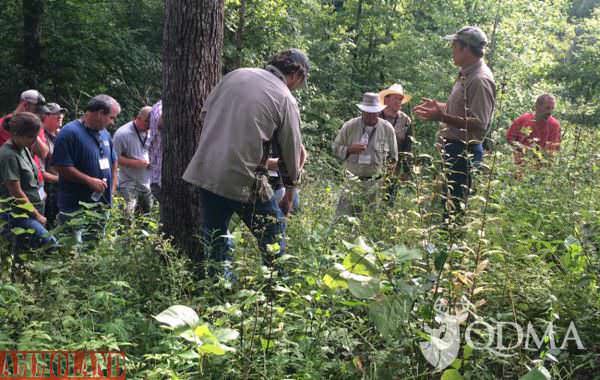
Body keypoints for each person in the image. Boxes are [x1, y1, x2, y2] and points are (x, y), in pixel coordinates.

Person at [183, 48, 308, 276]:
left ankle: (218, 289)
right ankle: (275, 290)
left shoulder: (235, 75)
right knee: (273, 233)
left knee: (215, 237)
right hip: (243, 179)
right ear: (296, 75)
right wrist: (289, 195)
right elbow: (291, 155)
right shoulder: (285, 98)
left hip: (206, 171)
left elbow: (204, 115)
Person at [414, 26, 496, 219]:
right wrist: (441, 107)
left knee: (454, 210)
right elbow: (462, 110)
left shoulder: (480, 79)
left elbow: (480, 123)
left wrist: (441, 117)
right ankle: (441, 246)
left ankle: (450, 246)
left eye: (454, 45)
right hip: (453, 150)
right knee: (444, 205)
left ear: (466, 48)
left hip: (463, 154)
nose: (451, 49)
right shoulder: (466, 73)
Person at [51, 95, 120, 240]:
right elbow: (62, 167)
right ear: (100, 113)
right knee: (74, 251)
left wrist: (112, 188)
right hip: (75, 207)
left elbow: (113, 161)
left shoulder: (105, 134)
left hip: (101, 206)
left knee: (95, 247)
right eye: (111, 117)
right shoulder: (69, 133)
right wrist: (89, 181)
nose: (113, 122)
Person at [332, 92, 398, 216]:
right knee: (342, 218)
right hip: (351, 182)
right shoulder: (350, 126)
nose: (371, 115)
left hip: (375, 185)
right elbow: (335, 148)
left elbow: (393, 158)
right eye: (368, 112)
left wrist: (386, 182)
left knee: (369, 222)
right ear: (362, 111)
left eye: (374, 112)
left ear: (379, 112)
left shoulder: (387, 129)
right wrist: (350, 149)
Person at [0, 112, 57, 250]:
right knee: (51, 244)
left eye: (35, 136)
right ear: (16, 134)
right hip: (19, 215)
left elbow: (44, 153)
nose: (33, 140)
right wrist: (37, 216)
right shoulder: (8, 155)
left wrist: (34, 137)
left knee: (28, 254)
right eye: (30, 137)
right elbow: (16, 192)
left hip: (33, 210)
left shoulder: (23, 147)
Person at [113, 106, 153, 215]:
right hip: (127, 182)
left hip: (146, 182)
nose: (149, 126)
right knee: (127, 216)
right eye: (147, 122)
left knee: (146, 216)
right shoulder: (122, 133)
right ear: (138, 118)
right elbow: (114, 157)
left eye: (152, 122)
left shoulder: (151, 131)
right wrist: (135, 163)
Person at [379, 84, 412, 202]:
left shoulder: (406, 120)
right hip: (374, 164)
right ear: (386, 99)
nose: (398, 102)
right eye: (395, 98)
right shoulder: (375, 115)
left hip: (394, 167)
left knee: (389, 200)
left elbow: (408, 147)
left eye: (400, 99)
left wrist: (407, 170)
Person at [506, 94, 560, 165]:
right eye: (547, 108)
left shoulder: (554, 125)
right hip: (520, 165)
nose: (549, 112)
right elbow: (510, 138)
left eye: (552, 108)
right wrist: (524, 149)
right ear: (537, 106)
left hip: (540, 168)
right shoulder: (524, 119)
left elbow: (552, 151)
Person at [39, 103, 67, 228]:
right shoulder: (39, 137)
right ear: (46, 116)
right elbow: (39, 171)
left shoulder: (62, 135)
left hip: (63, 185)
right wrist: (62, 179)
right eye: (56, 113)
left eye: (61, 113)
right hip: (48, 187)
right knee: (50, 221)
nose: (60, 116)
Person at [147, 100, 163, 202]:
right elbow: (161, 124)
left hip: (157, 177)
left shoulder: (157, 106)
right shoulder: (162, 108)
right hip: (161, 178)